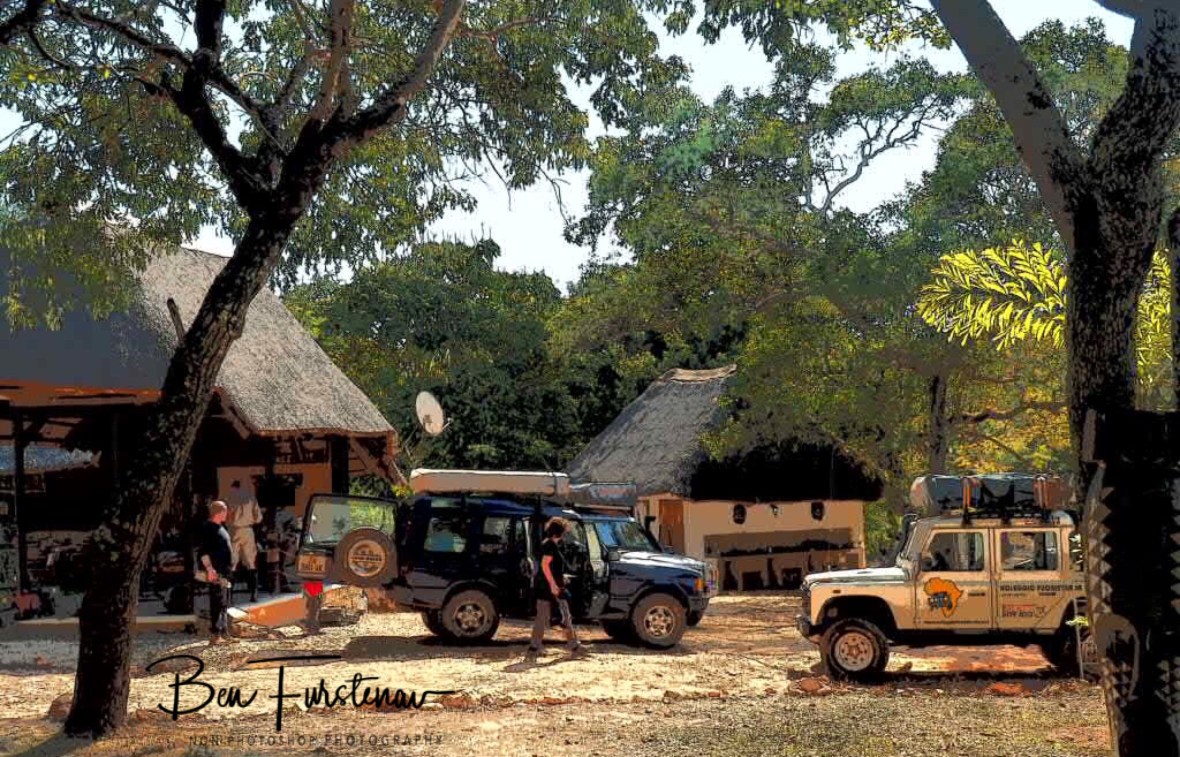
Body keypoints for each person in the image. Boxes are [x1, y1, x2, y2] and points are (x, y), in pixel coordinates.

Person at [527, 517, 586, 660]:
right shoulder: (549, 546)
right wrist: (553, 584)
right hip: (551, 587)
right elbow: (545, 565)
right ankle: (574, 646)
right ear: (558, 532)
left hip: (546, 586)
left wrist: (561, 577)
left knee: (542, 617)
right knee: (564, 614)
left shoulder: (548, 544)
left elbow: (550, 567)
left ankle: (535, 647)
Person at [198, 501, 234, 644]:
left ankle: (224, 632)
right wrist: (209, 569)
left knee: (224, 602)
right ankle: (216, 633)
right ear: (219, 512)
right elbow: (203, 551)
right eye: (225, 511)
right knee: (217, 601)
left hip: (224, 571)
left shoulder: (220, 527)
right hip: (216, 571)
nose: (227, 513)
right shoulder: (208, 529)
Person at [225, 480, 262, 602]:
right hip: (248, 531)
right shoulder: (250, 498)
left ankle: (229, 596)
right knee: (251, 563)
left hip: (233, 531)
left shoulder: (228, 499)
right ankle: (254, 593)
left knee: (232, 563)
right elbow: (258, 518)